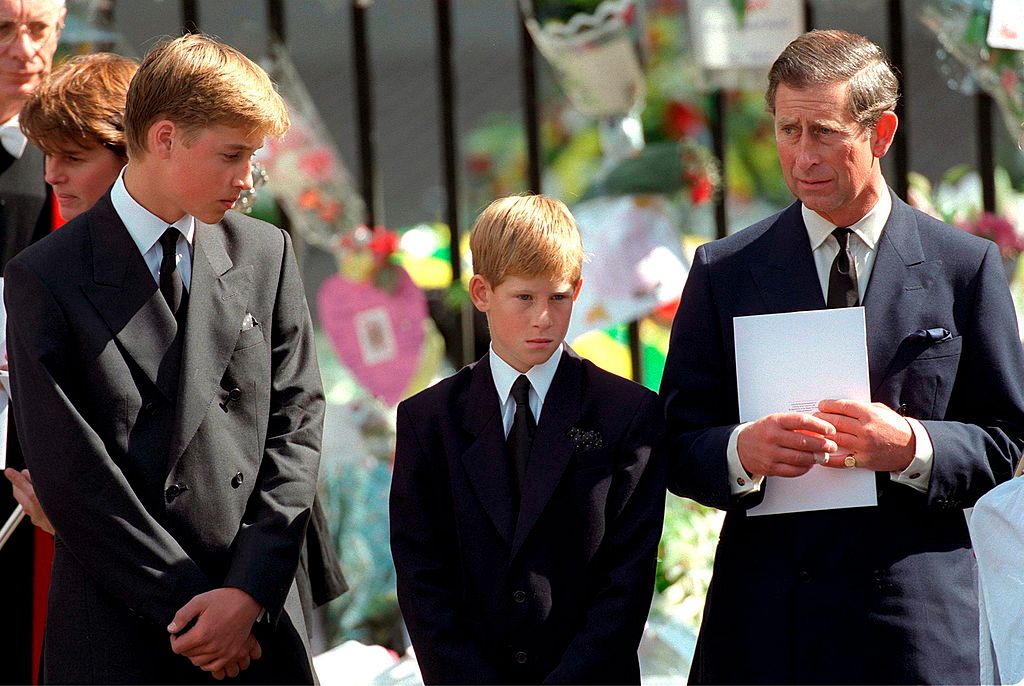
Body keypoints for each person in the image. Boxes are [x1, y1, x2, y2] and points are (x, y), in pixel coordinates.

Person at [660, 29, 1024, 684]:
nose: (802, 155)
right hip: (769, 623)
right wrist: (741, 453)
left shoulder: (963, 267)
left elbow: (1006, 442)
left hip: (914, 621)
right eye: (788, 131)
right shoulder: (724, 270)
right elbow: (676, 441)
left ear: (881, 134)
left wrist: (911, 446)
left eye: (824, 132)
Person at [5, 34, 324, 684]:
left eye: (252, 158)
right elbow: (76, 478)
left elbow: (297, 429)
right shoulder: (45, 276)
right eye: (231, 156)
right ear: (166, 137)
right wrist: (193, 612)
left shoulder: (266, 254)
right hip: (123, 629)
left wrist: (245, 596)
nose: (245, 180)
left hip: (256, 623)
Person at [390, 194, 666, 685]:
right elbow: (421, 578)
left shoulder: (627, 413)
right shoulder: (427, 422)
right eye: (524, 298)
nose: (543, 317)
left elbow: (627, 580)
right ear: (481, 293)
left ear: (578, 291)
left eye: (558, 297)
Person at [0, 1, 64, 680]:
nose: (25, 51)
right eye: (3, 32)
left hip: (32, 452)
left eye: (40, 29)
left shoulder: (72, 157)